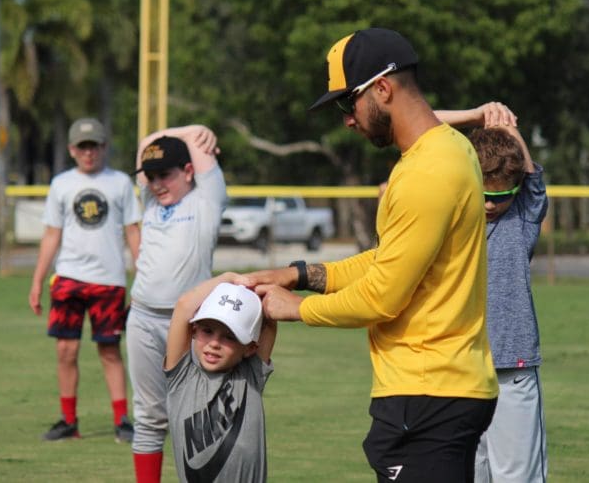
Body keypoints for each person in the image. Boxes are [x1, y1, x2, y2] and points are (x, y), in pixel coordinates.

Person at [243, 28, 499, 482]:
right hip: (439, 390)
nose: (346, 118)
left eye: (348, 102)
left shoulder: (427, 171)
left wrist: (297, 309)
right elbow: (388, 260)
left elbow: (382, 297)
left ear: (382, 88)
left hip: (427, 392)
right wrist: (299, 274)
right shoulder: (444, 151)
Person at [28, 117, 141, 443]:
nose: (88, 152)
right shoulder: (61, 184)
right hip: (68, 278)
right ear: (72, 150)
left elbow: (133, 231)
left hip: (108, 281)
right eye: (82, 146)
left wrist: (142, 278)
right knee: (65, 350)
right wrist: (37, 280)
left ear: (104, 147)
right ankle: (68, 421)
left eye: (94, 146)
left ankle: (122, 421)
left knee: (110, 350)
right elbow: (51, 234)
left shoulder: (120, 183)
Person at [126, 125, 227, 482]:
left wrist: (198, 134)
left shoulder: (207, 200)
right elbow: (144, 145)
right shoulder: (152, 201)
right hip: (141, 318)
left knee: (195, 416)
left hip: (190, 324)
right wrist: (189, 130)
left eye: (164, 175)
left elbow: (194, 153)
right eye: (150, 177)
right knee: (149, 416)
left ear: (188, 172)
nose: (156, 184)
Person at [466, 123, 549, 483]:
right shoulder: (454, 220)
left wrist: (510, 129)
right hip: (461, 371)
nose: (490, 204)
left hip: (512, 371)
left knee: (517, 477)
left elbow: (533, 183)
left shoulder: (522, 220)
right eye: (483, 194)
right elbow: (405, 125)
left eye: (501, 197)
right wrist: (477, 114)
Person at [165, 273, 276, 482]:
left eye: (229, 336)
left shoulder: (250, 376)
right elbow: (184, 306)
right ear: (194, 331)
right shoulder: (181, 379)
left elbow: (270, 319)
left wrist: (252, 288)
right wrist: (227, 278)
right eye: (207, 331)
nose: (214, 343)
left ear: (251, 347)